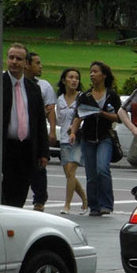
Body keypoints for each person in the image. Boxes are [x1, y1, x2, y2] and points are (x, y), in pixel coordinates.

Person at [69, 61, 121, 217]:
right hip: (88, 138)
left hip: (105, 137)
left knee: (102, 170)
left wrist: (102, 114)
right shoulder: (85, 96)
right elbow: (78, 116)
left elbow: (118, 117)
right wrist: (73, 132)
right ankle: (94, 206)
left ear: (104, 75)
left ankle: (106, 204)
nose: (92, 74)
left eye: (95, 71)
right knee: (91, 175)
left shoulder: (112, 95)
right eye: (90, 72)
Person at [2, 43, 50, 207]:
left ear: (25, 63)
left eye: (19, 59)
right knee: (4, 193)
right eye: (11, 58)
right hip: (5, 147)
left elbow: (39, 122)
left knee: (20, 192)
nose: (14, 62)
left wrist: (43, 152)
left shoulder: (33, 89)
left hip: (27, 149)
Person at [25, 52, 57, 211]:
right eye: (37, 63)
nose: (41, 66)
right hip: (20, 134)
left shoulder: (43, 86)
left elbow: (50, 110)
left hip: (37, 133)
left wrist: (52, 130)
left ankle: (39, 200)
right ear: (27, 65)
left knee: (39, 167)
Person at [56, 68, 88, 215]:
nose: (74, 80)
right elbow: (59, 120)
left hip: (78, 139)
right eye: (71, 77)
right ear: (64, 80)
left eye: (77, 78)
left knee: (70, 171)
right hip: (63, 139)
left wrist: (74, 128)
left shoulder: (82, 97)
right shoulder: (60, 99)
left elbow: (85, 117)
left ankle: (67, 205)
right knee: (69, 175)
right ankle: (85, 199)